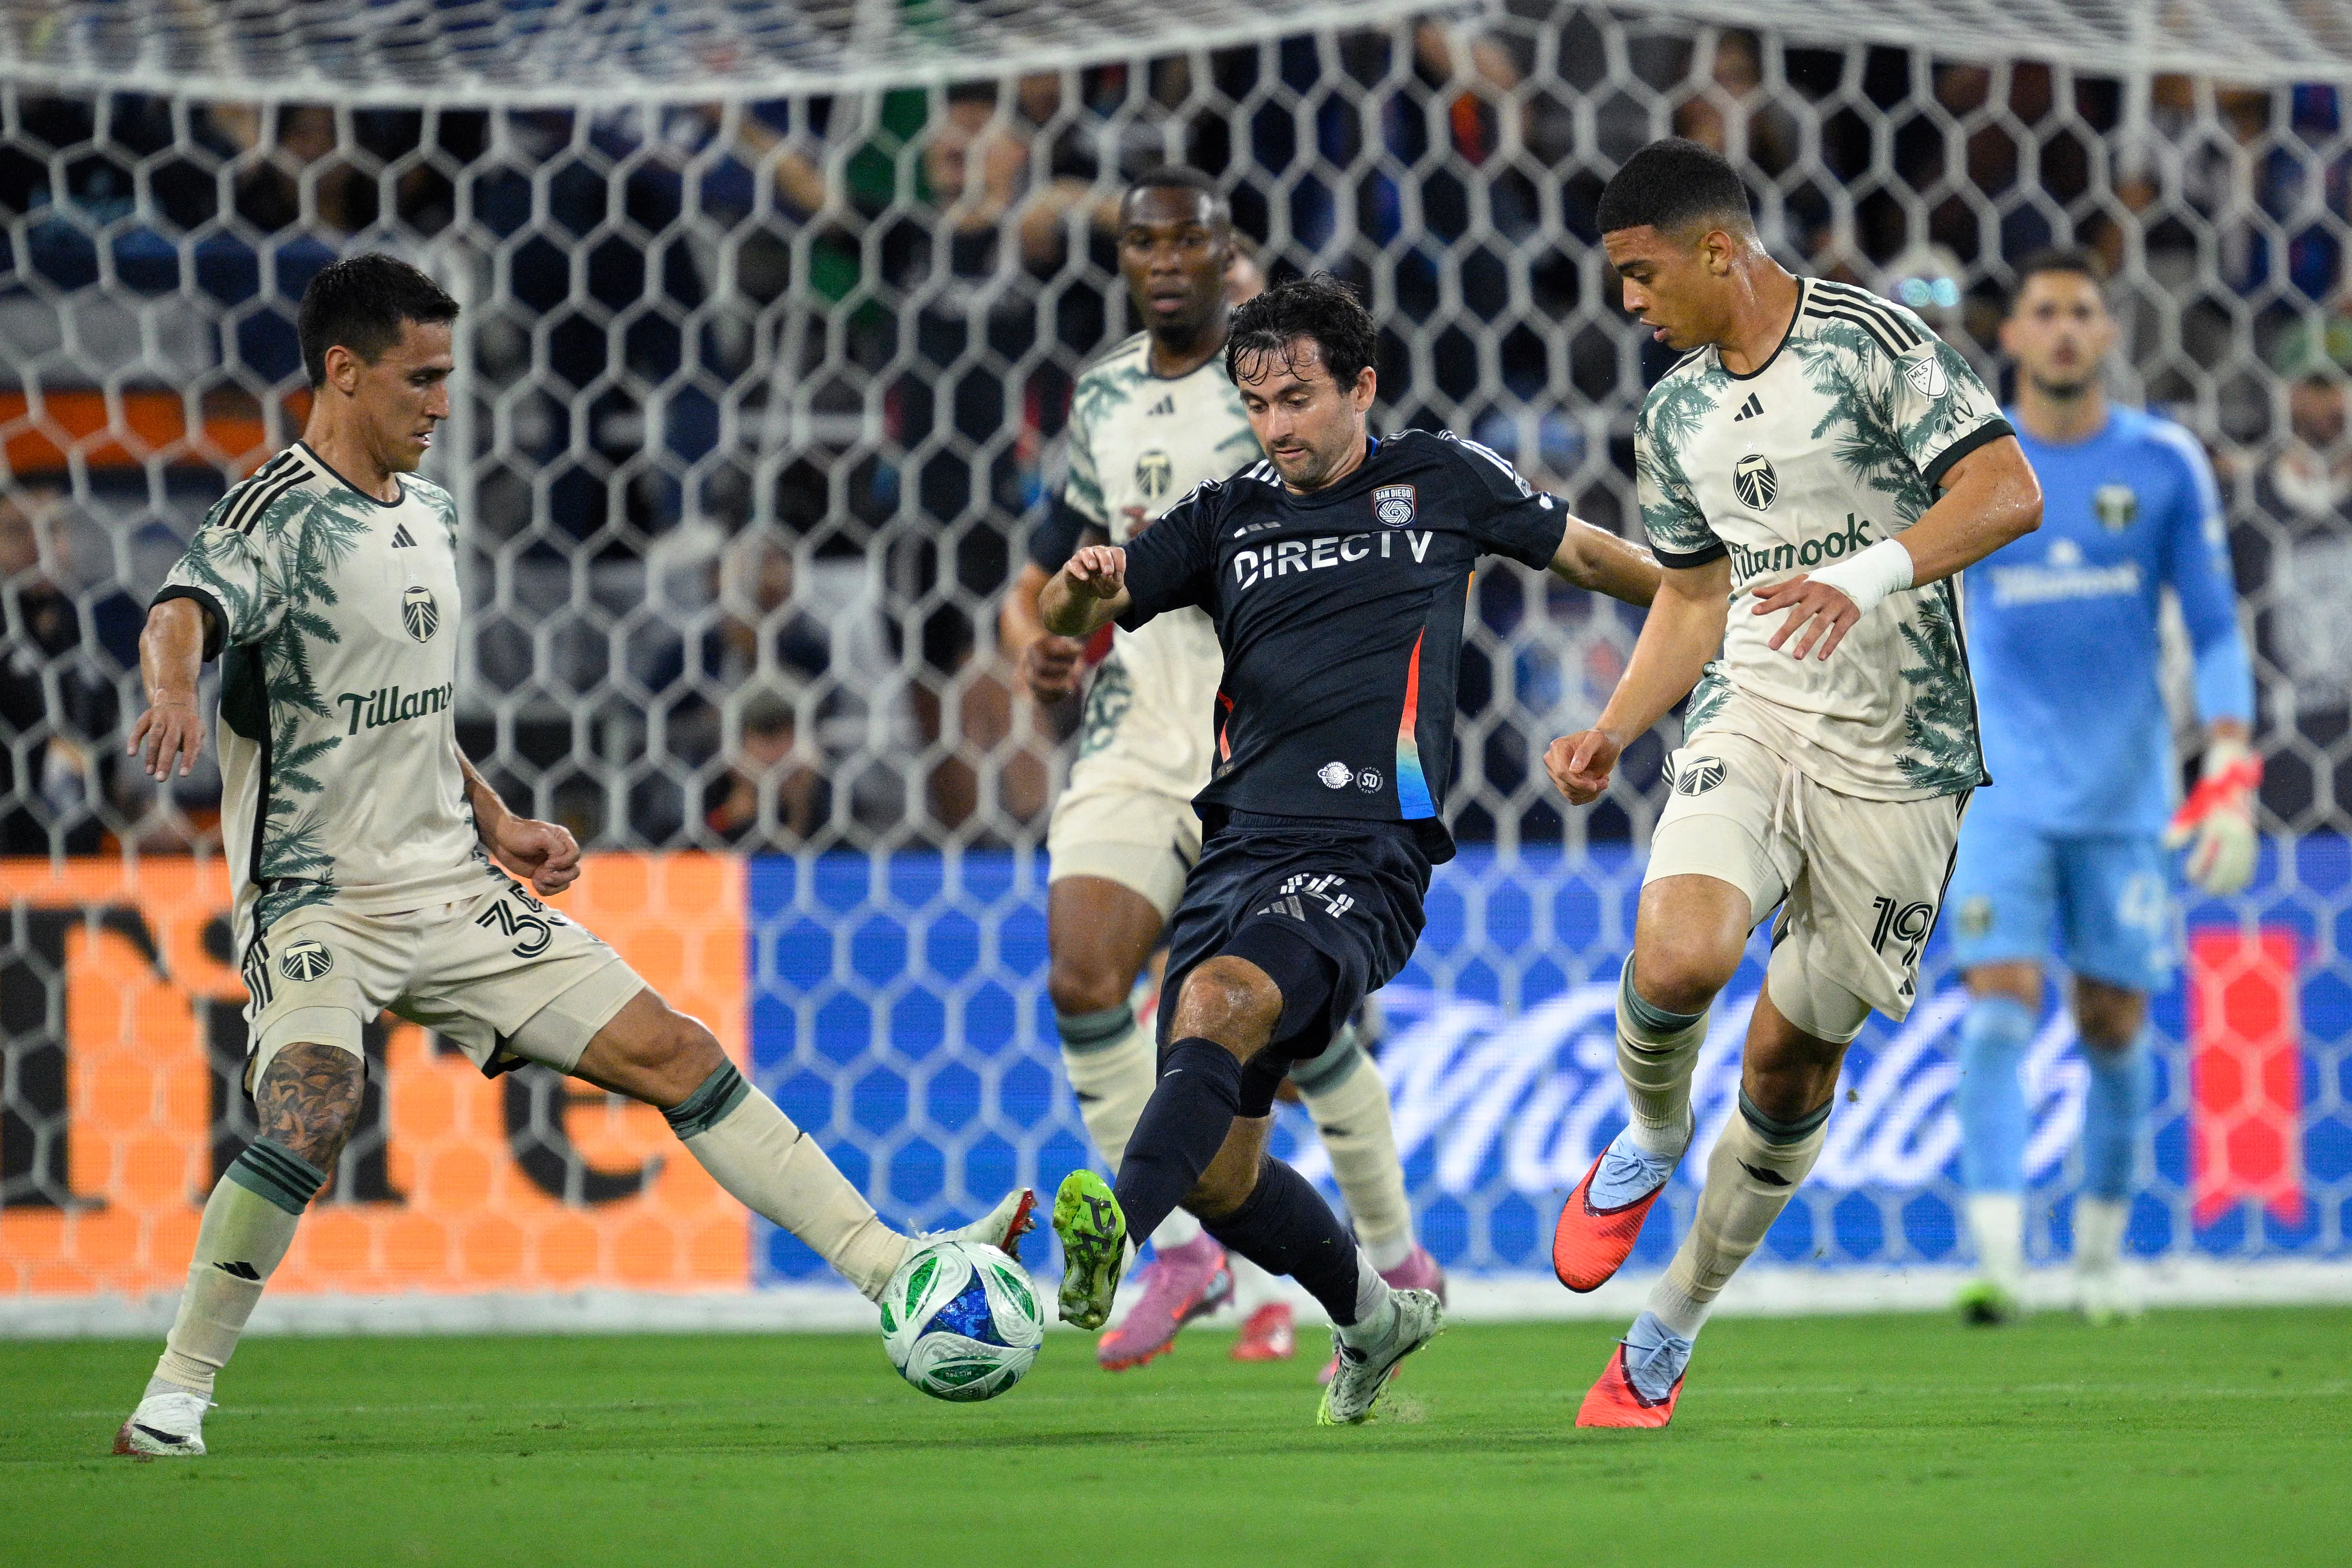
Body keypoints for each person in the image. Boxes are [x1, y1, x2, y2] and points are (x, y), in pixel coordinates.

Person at [112, 255, 1032, 1460]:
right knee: (310, 1110)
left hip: (450, 882)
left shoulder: (431, 512)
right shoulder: (273, 516)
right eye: (421, 378)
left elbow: (408, 708)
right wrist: (176, 688)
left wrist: (492, 818)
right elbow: (176, 608)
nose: (443, 403)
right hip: (317, 898)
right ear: (342, 372)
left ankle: (895, 1266)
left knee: (676, 1050)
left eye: (448, 376)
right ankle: (175, 1396)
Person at [1035, 274, 1659, 1424]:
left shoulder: (1440, 479)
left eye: (1300, 398)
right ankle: (1375, 1315)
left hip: (1368, 845)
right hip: (1237, 848)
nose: (1278, 426)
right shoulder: (1227, 516)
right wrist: (1076, 596)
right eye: (1258, 403)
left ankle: (1115, 1231)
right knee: (1223, 1171)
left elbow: (1588, 558)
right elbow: (1076, 619)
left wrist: (1706, 614)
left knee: (1219, 998)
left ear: (1361, 386)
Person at [1544, 138, 2041, 1427]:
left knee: (1783, 1064)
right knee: (1678, 955)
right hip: (1755, 708)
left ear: (1719, 249)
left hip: (1903, 757)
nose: (1630, 305)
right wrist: (1612, 722)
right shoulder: (1673, 413)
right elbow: (1696, 596)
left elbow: (2004, 490)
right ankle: (1650, 1134)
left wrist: (1864, 574)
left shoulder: (1871, 342)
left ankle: (1670, 1324)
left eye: (1641, 275)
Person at [999, 169, 1442, 1375]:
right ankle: (1180, 1248)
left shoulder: (1280, 388)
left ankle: (1394, 1252)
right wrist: (1048, 639)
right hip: (1144, 728)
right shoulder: (1096, 396)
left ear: (1228, 253)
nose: (1164, 261)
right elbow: (1055, 571)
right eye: (1142, 241)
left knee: (1279, 1033)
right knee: (1085, 971)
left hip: (1277, 742)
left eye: (1188, 239)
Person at [1948, 249, 2257, 1326]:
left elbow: (2215, 627)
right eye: (2046, 311)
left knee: (2114, 1021)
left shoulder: (2163, 463)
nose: (2066, 329)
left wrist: (2228, 754)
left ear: (2110, 332)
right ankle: (1996, 1258)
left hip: (2128, 795)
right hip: (2001, 794)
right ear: (2016, 335)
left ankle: (2096, 1259)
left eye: (2083, 311)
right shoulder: (1974, 463)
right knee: (1996, 1004)